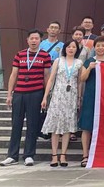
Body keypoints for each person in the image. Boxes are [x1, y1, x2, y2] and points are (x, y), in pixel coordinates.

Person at [0, 29, 52, 167]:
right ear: (27, 40)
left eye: (36, 38)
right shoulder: (20, 54)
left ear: (40, 40)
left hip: (36, 93)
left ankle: (29, 155)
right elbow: (13, 75)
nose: (34, 41)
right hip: (19, 93)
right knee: (16, 124)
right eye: (31, 38)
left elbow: (47, 76)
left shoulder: (45, 56)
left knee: (32, 125)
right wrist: (9, 94)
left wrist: (46, 96)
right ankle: (12, 156)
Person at [40, 39, 83, 168]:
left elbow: (79, 82)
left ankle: (63, 154)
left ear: (77, 49)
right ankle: (54, 155)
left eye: (73, 47)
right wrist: (45, 97)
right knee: (55, 125)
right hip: (58, 96)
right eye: (69, 46)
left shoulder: (79, 63)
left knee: (67, 127)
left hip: (71, 97)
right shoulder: (58, 61)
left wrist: (79, 98)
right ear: (65, 48)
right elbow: (51, 79)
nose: (71, 49)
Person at [78, 36, 104, 168]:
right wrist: (89, 68)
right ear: (94, 47)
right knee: (87, 126)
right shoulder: (89, 61)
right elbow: (82, 78)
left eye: (103, 45)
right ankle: (85, 155)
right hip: (90, 97)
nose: (101, 48)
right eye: (98, 46)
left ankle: (102, 155)